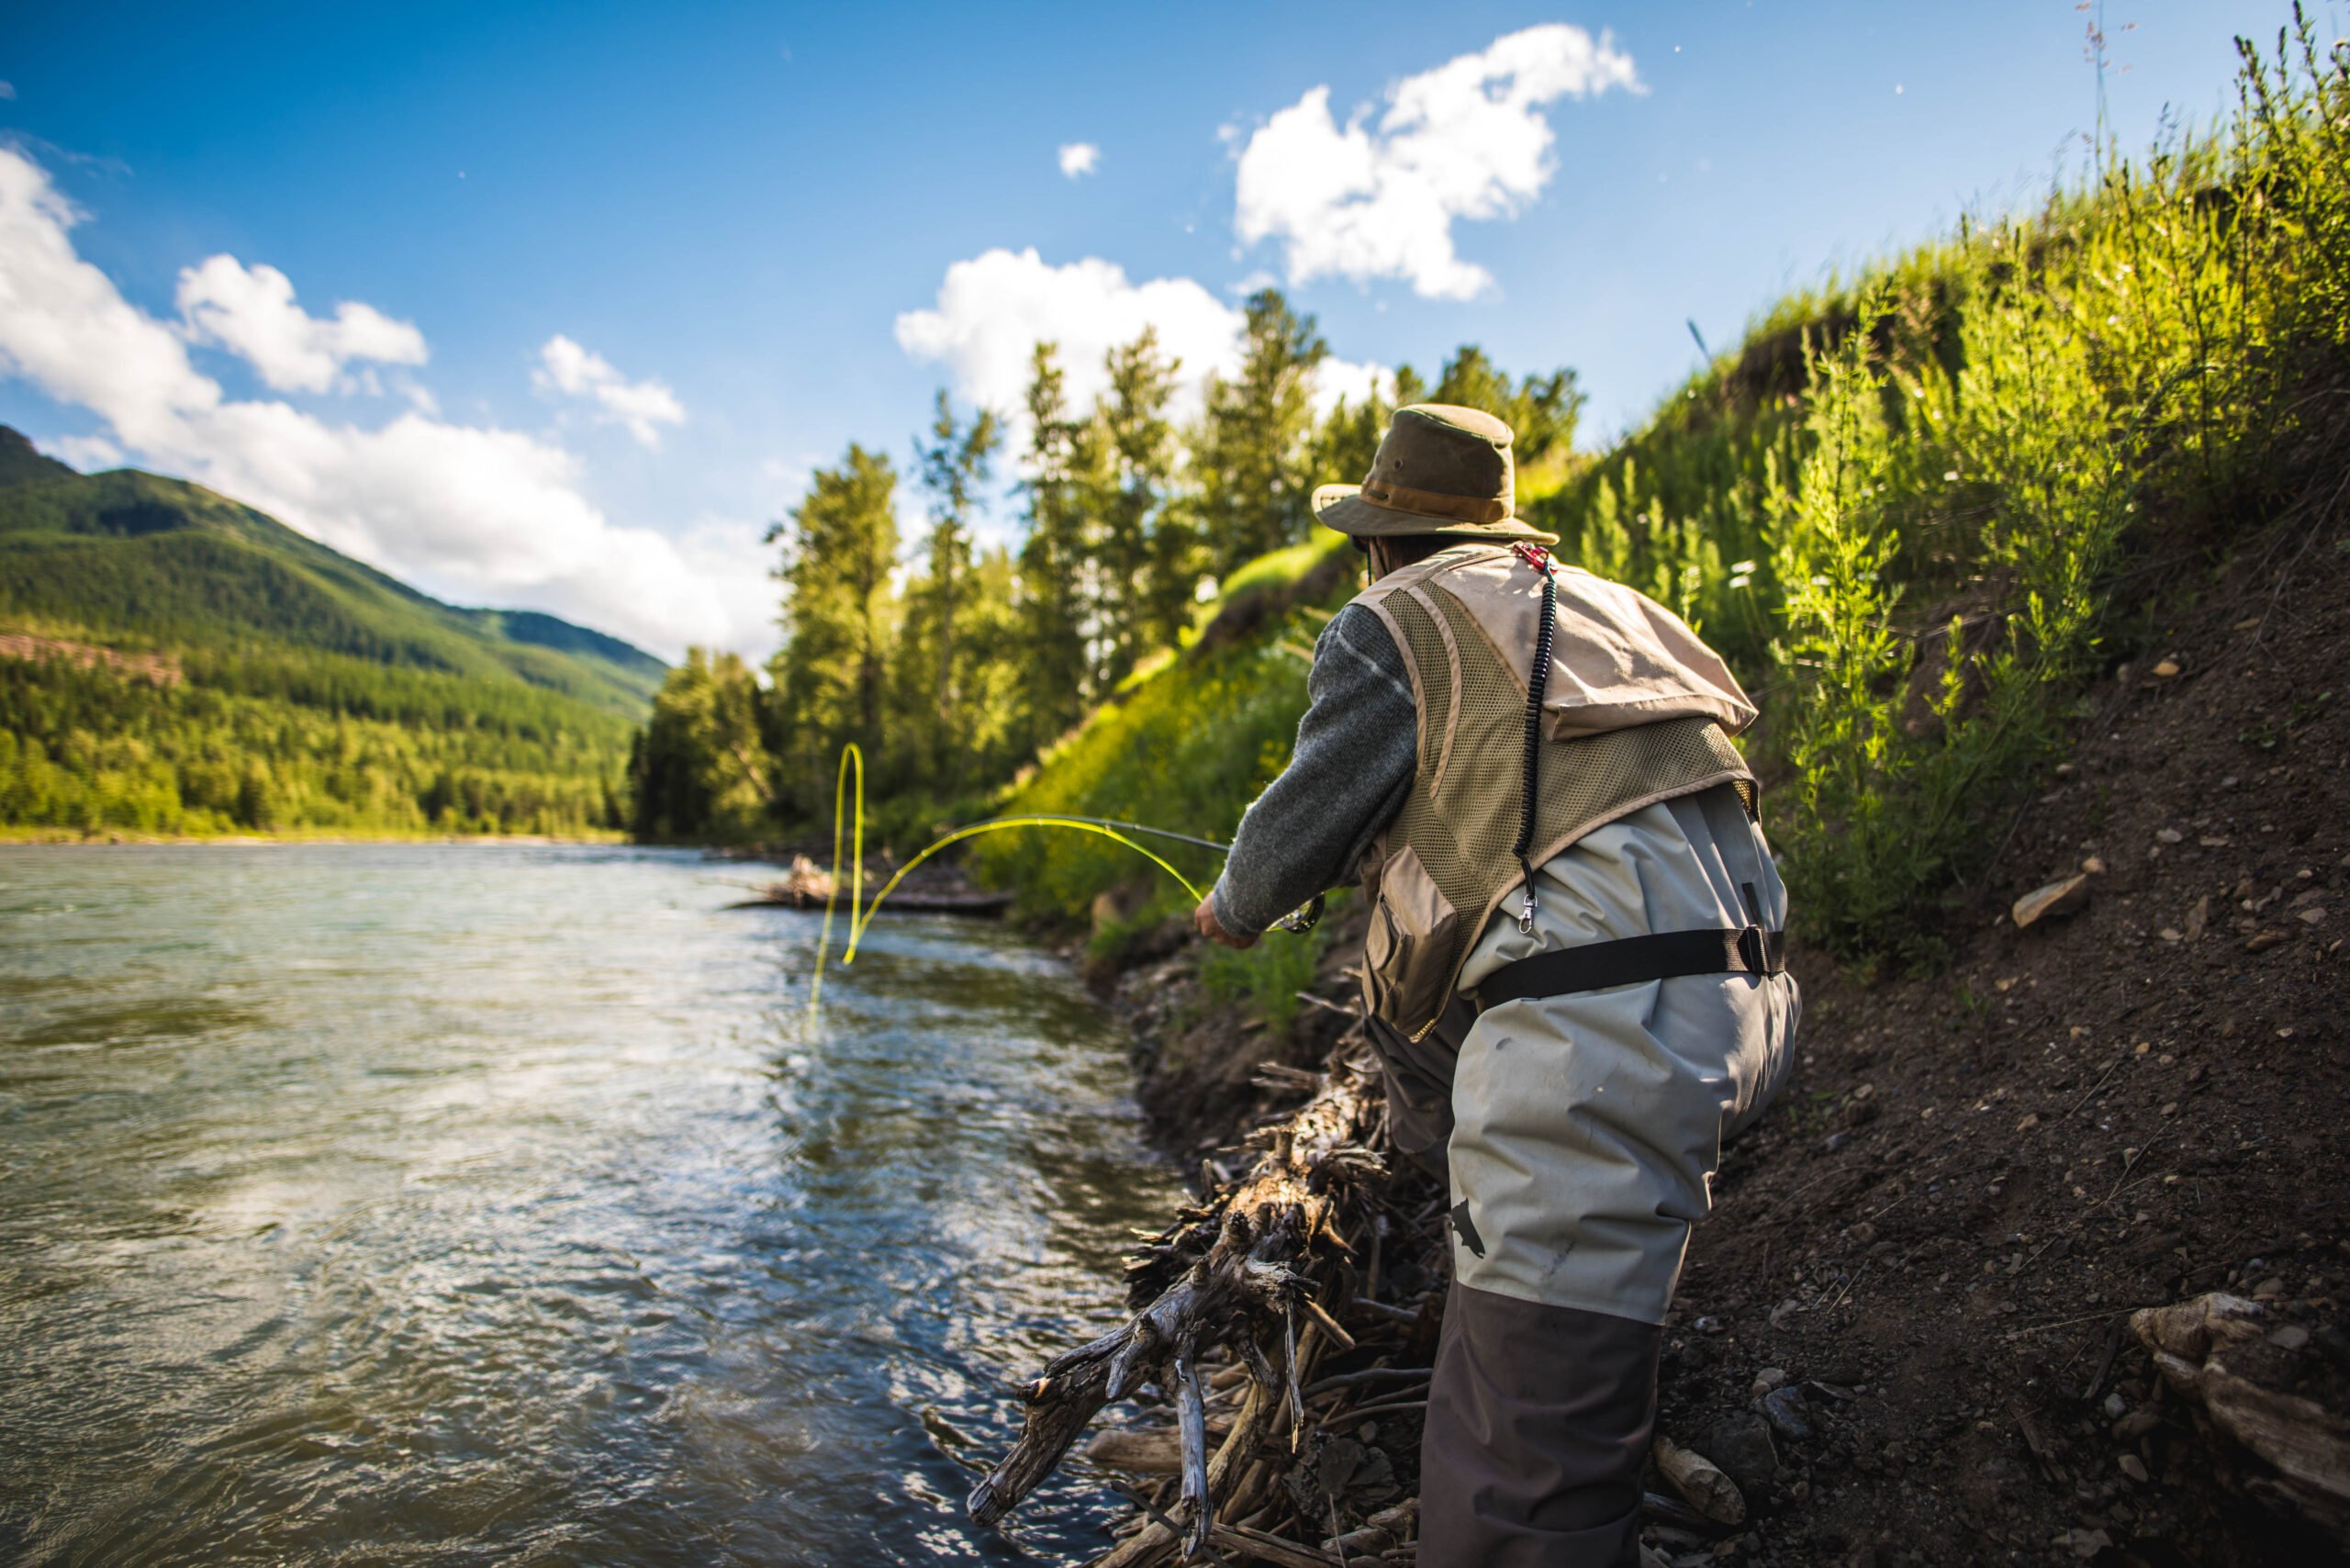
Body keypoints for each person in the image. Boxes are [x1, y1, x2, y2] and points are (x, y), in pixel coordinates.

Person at [1192, 404, 1797, 1567]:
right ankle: (1520, 1271)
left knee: (1517, 1488)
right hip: (1759, 1001)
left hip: (1606, 1038)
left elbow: (1290, 836)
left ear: (1378, 541)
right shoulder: (1615, 608)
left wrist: (1231, 904)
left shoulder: (1392, 619)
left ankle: (1538, 1329)